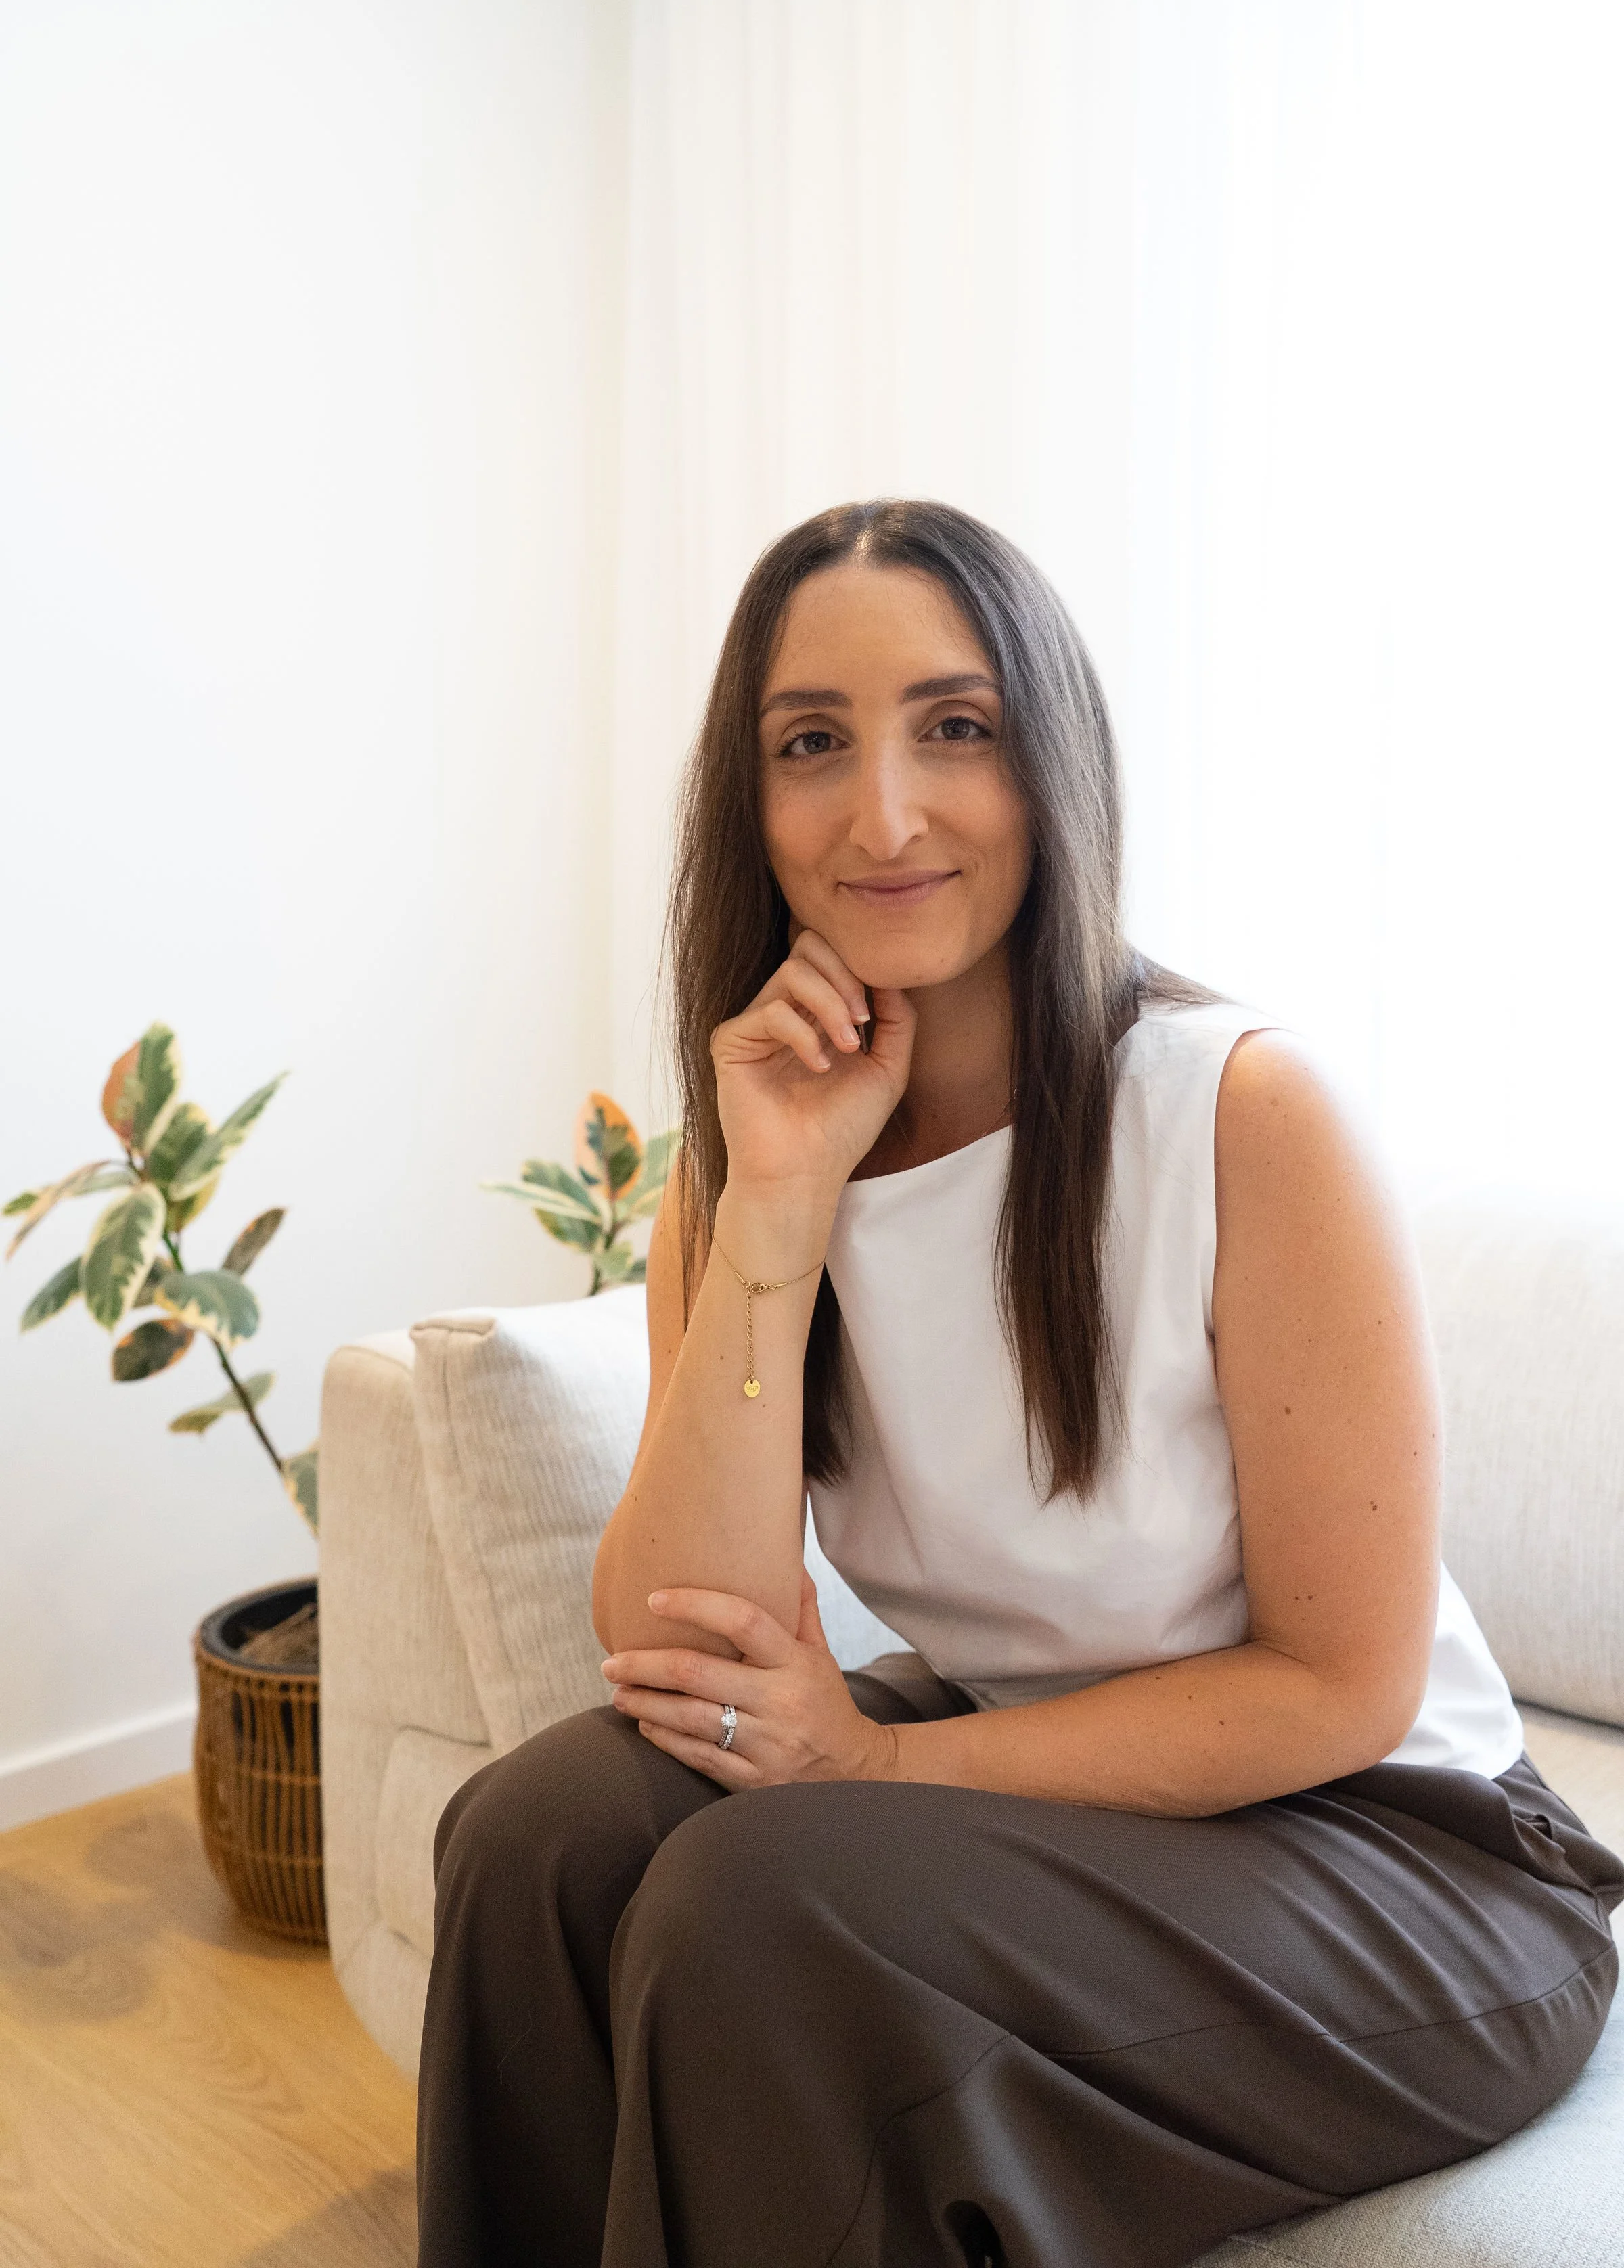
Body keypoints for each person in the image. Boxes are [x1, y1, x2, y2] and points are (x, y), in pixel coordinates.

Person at [415, 500, 1620, 2268]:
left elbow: (1343, 1688)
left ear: (1049, 766)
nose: (885, 812)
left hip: (1408, 1869)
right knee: (545, 1835)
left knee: (761, 1910)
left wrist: (870, 1777)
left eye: (955, 729)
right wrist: (779, 1211)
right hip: (1068, 1800)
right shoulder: (748, 1169)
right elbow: (681, 1640)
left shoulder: (1240, 1117)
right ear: (746, 810)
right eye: (812, 743)